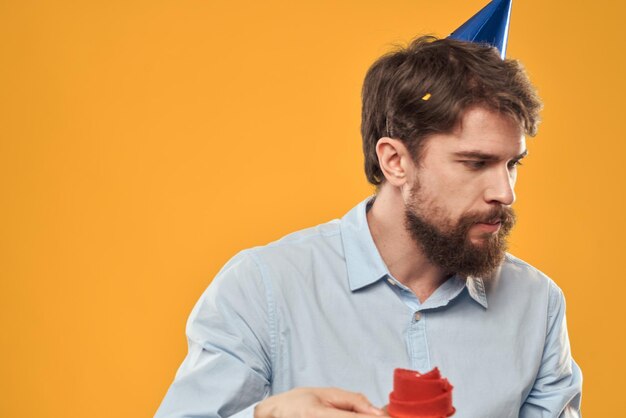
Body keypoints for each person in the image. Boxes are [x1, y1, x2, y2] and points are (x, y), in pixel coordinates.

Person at [155, 34, 583, 418]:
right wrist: (266, 417)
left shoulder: (537, 304)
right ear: (395, 161)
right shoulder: (263, 287)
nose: (505, 193)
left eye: (512, 165)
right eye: (476, 163)